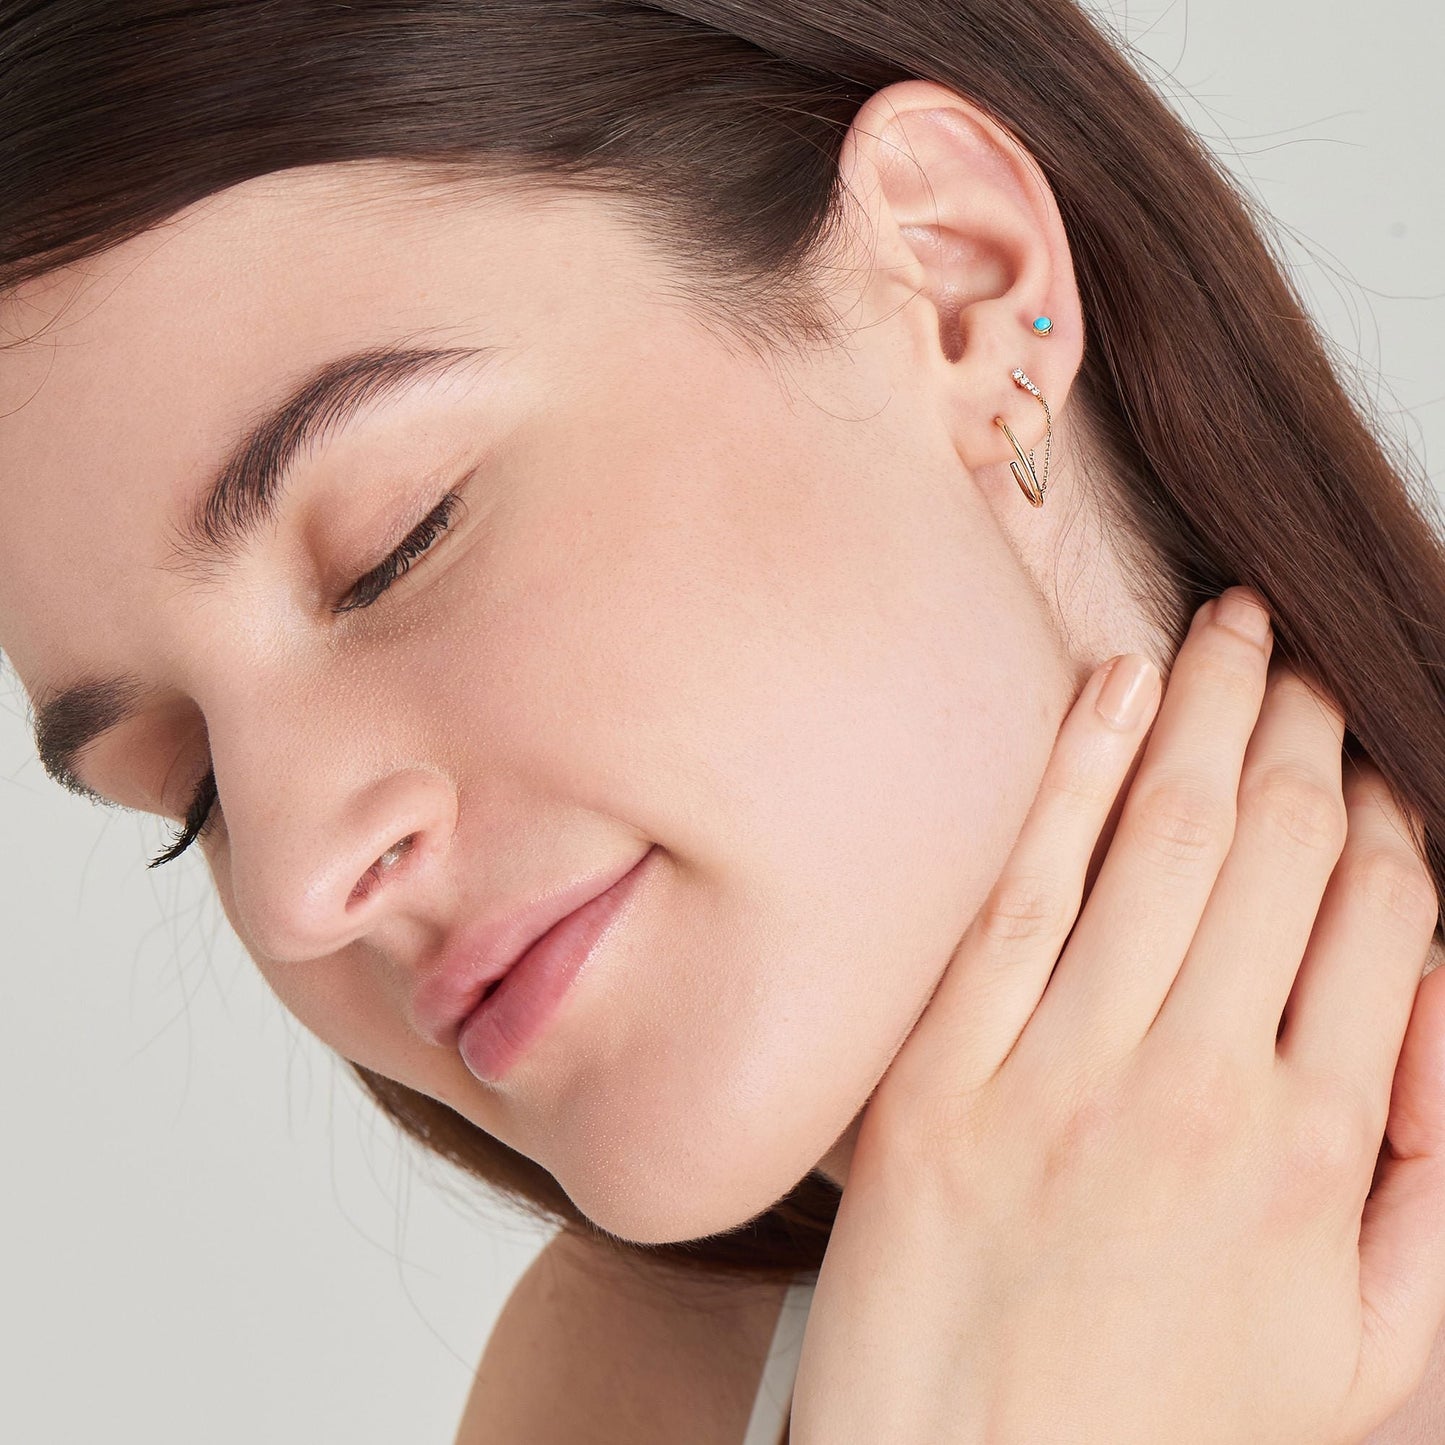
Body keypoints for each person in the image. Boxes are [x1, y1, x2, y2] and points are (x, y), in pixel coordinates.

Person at [2, 3, 1442, 1441]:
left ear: (954, 280)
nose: (294, 885)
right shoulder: (618, 1394)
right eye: (195, 789)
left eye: (400, 541)